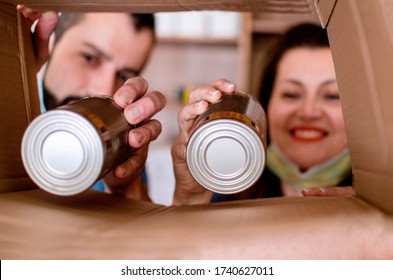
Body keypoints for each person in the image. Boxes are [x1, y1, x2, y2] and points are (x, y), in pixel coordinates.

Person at [171, 23, 354, 205]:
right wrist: (190, 199)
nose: (308, 112)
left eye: (331, 96)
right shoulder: (225, 201)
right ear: (267, 104)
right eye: (291, 94)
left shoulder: (376, 207)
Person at [17, 5, 166, 200]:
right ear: (51, 39)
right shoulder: (10, 110)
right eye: (89, 58)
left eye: (123, 76)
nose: (103, 90)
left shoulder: (121, 146)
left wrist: (125, 189)